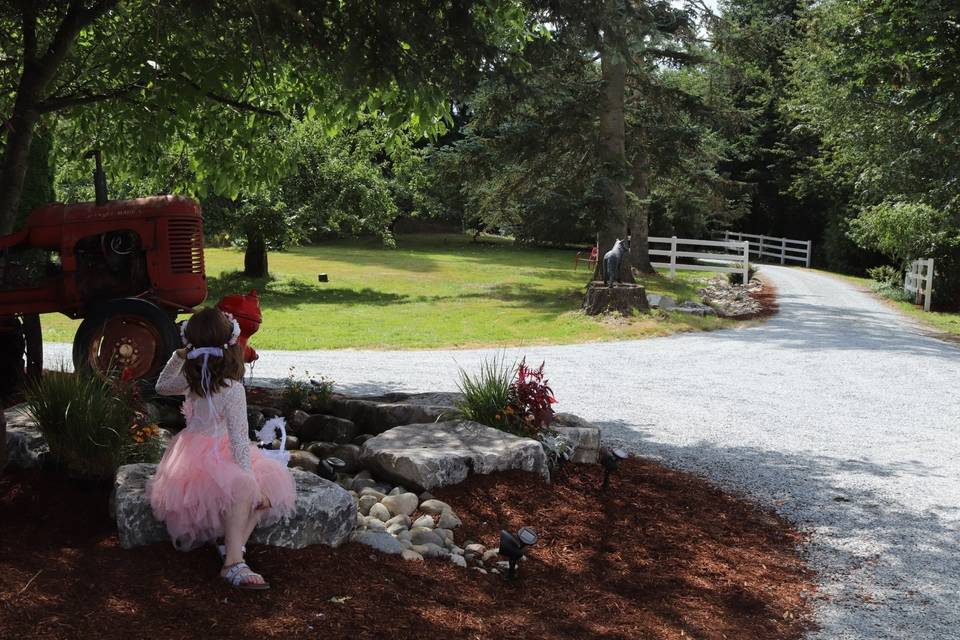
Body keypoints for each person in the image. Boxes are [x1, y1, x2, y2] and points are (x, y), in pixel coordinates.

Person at [147, 307, 295, 590]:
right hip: (208, 459)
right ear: (231, 344)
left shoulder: (194, 382)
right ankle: (233, 562)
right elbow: (239, 441)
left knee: (269, 486)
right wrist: (252, 485)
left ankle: (230, 546)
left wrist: (180, 354)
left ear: (190, 344)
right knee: (248, 486)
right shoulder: (230, 387)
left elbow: (163, 384)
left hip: (194, 453)